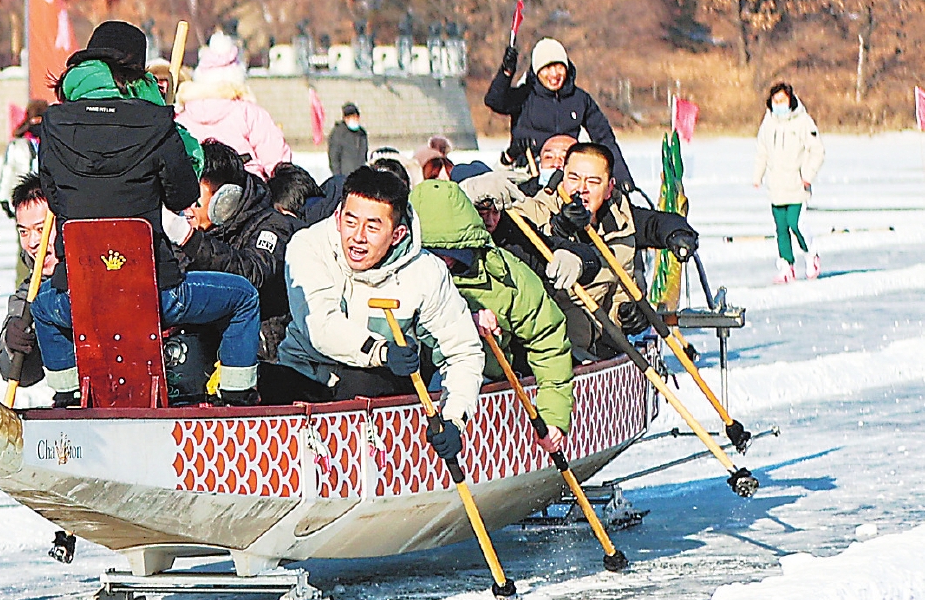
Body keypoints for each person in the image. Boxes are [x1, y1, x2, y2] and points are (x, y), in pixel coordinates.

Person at [29, 19, 262, 407]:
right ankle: (238, 399)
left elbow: (54, 197)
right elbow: (184, 194)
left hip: (80, 296)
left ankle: (69, 395)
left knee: (42, 307)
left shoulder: (53, 122)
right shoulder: (156, 121)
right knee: (243, 297)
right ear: (134, 72)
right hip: (156, 293)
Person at [263, 168, 484, 457]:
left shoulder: (426, 272)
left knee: (362, 383)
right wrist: (380, 351)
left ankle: (370, 463)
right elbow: (319, 326)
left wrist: (454, 420)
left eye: (372, 227)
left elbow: (463, 352)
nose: (357, 237)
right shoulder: (308, 246)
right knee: (264, 378)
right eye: (350, 221)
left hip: (377, 383)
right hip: (306, 370)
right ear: (338, 217)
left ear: (397, 234)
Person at [410, 172, 572, 452]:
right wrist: (461, 322)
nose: (445, 263)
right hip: (410, 380)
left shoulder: (506, 274)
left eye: (454, 254)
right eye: (433, 253)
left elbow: (548, 340)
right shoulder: (390, 270)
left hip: (487, 377)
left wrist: (553, 417)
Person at [508, 142, 699, 360]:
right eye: (573, 178)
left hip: (593, 340)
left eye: (593, 181)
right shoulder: (535, 210)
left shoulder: (621, 220)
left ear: (609, 188)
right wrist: (559, 228)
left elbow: (654, 224)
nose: (582, 188)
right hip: (544, 342)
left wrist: (627, 314)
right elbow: (513, 241)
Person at [175, 149, 312, 360]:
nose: (188, 210)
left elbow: (252, 272)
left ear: (225, 198)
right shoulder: (198, 230)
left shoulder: (273, 225)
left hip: (263, 350)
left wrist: (192, 242)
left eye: (195, 201)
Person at [484, 37, 632, 186]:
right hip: (529, 171)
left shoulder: (579, 99)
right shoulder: (524, 96)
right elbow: (495, 101)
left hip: (569, 172)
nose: (554, 74)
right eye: (547, 68)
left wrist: (621, 178)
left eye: (559, 67)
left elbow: (604, 139)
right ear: (537, 71)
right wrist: (506, 72)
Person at [174, 33, 293, 180]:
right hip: (245, 193)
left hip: (194, 196)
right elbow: (277, 162)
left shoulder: (181, 119)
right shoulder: (248, 114)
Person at [753, 81, 824, 283]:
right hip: (776, 186)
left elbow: (817, 150)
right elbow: (762, 150)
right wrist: (757, 175)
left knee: (796, 224)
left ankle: (811, 256)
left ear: (790, 100)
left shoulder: (803, 121)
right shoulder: (768, 123)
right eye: (776, 101)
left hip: (797, 185)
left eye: (783, 100)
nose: (779, 104)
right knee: (781, 228)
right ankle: (786, 266)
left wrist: (807, 175)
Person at [0, 174, 54, 389]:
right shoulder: (31, 289)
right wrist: (13, 343)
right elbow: (17, 375)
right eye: (24, 232)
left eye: (41, 229)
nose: (33, 242)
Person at [0, 100, 47, 216]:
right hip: (23, 197)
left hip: (46, 199)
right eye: (34, 120)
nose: (37, 124)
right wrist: (3, 197)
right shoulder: (17, 145)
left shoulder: (52, 142)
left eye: (40, 120)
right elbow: (8, 170)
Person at [327, 102, 368, 179]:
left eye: (355, 116)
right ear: (345, 118)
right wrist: (338, 177)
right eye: (350, 117)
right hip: (345, 176)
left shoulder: (362, 134)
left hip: (360, 176)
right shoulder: (338, 133)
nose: (353, 119)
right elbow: (334, 157)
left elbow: (364, 154)